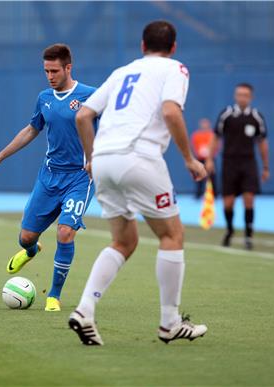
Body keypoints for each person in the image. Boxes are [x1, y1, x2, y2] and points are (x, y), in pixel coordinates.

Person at [71, 20, 208, 345]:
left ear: (142, 46)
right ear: (173, 47)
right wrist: (189, 159)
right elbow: (172, 112)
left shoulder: (122, 72)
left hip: (104, 159)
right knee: (172, 235)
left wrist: (91, 158)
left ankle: (84, 310)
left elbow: (82, 116)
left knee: (123, 241)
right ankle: (169, 323)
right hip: (139, 157)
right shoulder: (175, 69)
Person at [0, 44, 96, 312]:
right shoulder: (44, 97)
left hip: (80, 178)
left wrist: (96, 157)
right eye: (46, 71)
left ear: (68, 67)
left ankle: (53, 295)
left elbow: (113, 126)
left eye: (54, 70)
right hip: (49, 177)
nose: (50, 76)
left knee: (65, 232)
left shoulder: (91, 96)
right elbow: (31, 130)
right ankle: (32, 251)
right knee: (26, 237)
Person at [205, 83, 269, 250]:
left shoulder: (256, 117)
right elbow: (215, 137)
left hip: (248, 163)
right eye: (239, 94)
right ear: (235, 96)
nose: (242, 97)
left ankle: (248, 235)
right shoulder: (227, 114)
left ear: (251, 97)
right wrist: (209, 159)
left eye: (246, 95)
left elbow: (262, 143)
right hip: (229, 163)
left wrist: (266, 167)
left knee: (249, 199)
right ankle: (229, 230)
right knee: (228, 202)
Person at [191, 118, 217, 199]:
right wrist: (199, 153)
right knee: (199, 176)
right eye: (203, 124)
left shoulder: (212, 135)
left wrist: (211, 155)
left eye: (206, 124)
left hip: (210, 159)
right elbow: (194, 145)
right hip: (200, 159)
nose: (204, 126)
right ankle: (198, 194)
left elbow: (216, 146)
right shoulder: (196, 135)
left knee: (212, 177)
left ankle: (214, 194)